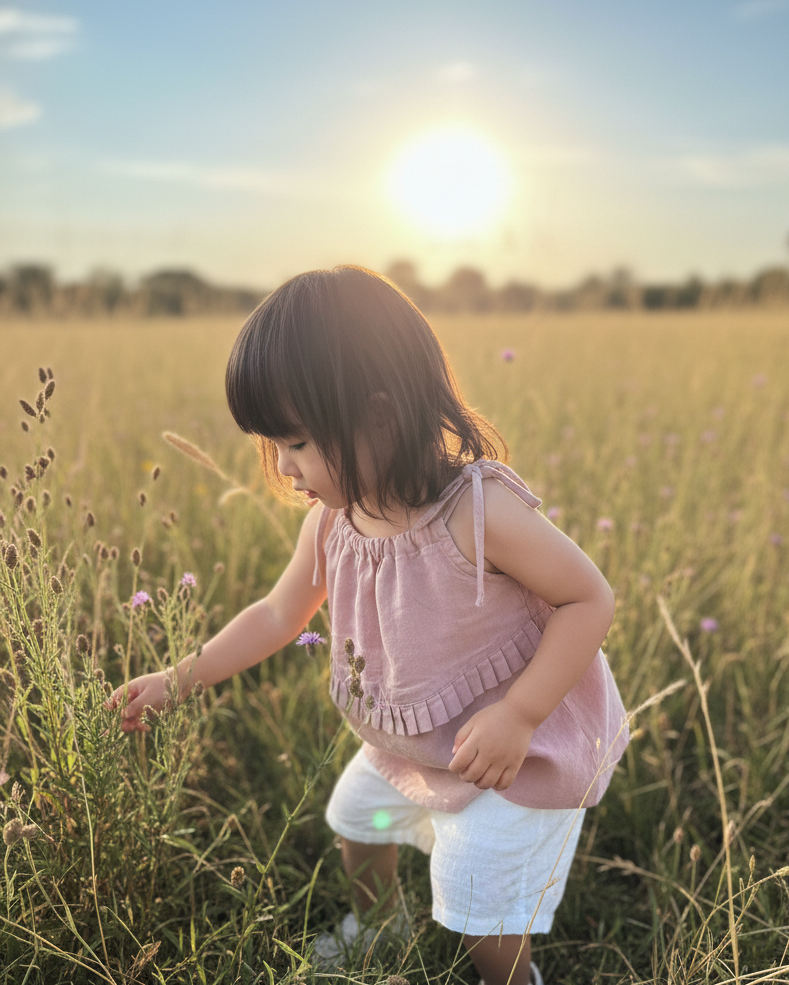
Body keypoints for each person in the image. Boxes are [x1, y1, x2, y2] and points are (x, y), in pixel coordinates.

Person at [110, 266, 629, 985]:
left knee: (478, 892)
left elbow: (588, 600)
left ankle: (511, 979)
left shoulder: (477, 516)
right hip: (417, 741)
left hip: (515, 747)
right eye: (273, 445)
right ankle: (379, 927)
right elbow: (276, 614)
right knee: (355, 818)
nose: (285, 468)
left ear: (379, 418)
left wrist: (519, 713)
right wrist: (179, 677)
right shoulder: (333, 524)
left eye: (295, 442)